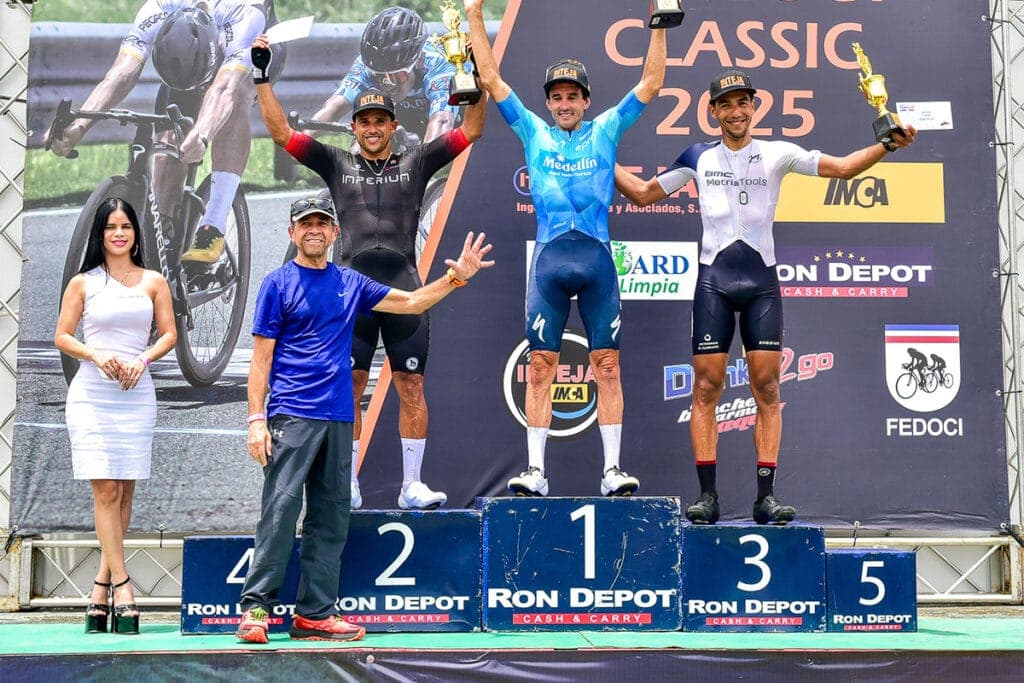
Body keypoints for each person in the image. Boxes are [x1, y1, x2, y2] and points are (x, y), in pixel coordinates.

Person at [614, 69, 918, 525]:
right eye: (727, 104)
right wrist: (600, 156)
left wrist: (888, 144)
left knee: (768, 388)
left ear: (754, 107)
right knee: (705, 388)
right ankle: (708, 497)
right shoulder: (696, 156)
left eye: (744, 103)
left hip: (762, 286)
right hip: (713, 282)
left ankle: (765, 497)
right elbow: (640, 195)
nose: (736, 111)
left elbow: (843, 168)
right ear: (713, 111)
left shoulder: (778, 154)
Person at [234, 196, 493, 644]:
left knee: (331, 518)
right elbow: (260, 361)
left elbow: (411, 302)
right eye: (305, 224)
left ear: (335, 234)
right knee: (280, 512)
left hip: (338, 419)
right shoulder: (277, 284)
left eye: (322, 223)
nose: (314, 230)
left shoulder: (350, 282)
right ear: (292, 232)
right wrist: (256, 418)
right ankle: (256, 608)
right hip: (291, 414)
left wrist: (455, 278)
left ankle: (314, 614)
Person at [251, 34, 487, 510]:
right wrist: (261, 77)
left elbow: (473, 131)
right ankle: (350, 481)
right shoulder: (335, 163)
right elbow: (281, 135)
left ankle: (412, 485)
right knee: (352, 386)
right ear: (354, 128)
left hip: (404, 285)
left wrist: (473, 81)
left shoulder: (416, 161)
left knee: (411, 385)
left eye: (381, 120)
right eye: (364, 122)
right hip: (351, 293)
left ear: (393, 125)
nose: (373, 128)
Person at [463, 0, 668, 497]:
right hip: (550, 262)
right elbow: (491, 81)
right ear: (550, 103)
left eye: (573, 95)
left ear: (586, 100)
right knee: (539, 366)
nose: (564, 103)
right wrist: (473, 14)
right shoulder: (533, 130)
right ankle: (535, 470)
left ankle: (612, 470)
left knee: (608, 365)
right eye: (557, 96)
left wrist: (660, 23)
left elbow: (650, 85)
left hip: (596, 259)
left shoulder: (606, 129)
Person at [44, 0, 269, 284]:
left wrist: (201, 134)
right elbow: (122, 72)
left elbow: (224, 89)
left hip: (251, 50)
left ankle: (213, 224)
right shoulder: (160, 7)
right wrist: (80, 126)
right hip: (187, 67)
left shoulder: (243, 14)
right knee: (166, 148)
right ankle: (164, 246)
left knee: (236, 98)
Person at [54, 197, 177, 634]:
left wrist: (141, 361)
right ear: (100, 234)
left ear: (136, 234)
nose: (119, 233)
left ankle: (100, 586)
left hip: (136, 392)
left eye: (126, 226)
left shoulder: (154, 281)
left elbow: (169, 335)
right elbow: (63, 336)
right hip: (92, 394)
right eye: (111, 227)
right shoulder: (83, 283)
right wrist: (97, 354)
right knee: (105, 488)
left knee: (123, 492)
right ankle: (124, 584)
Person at [307, 6, 460, 146]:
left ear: (418, 60)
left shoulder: (441, 65)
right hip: (407, 115)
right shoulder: (368, 64)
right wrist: (298, 143)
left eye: (395, 76)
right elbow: (335, 106)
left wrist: (422, 164)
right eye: (379, 76)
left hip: (457, 119)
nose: (387, 84)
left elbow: (442, 121)